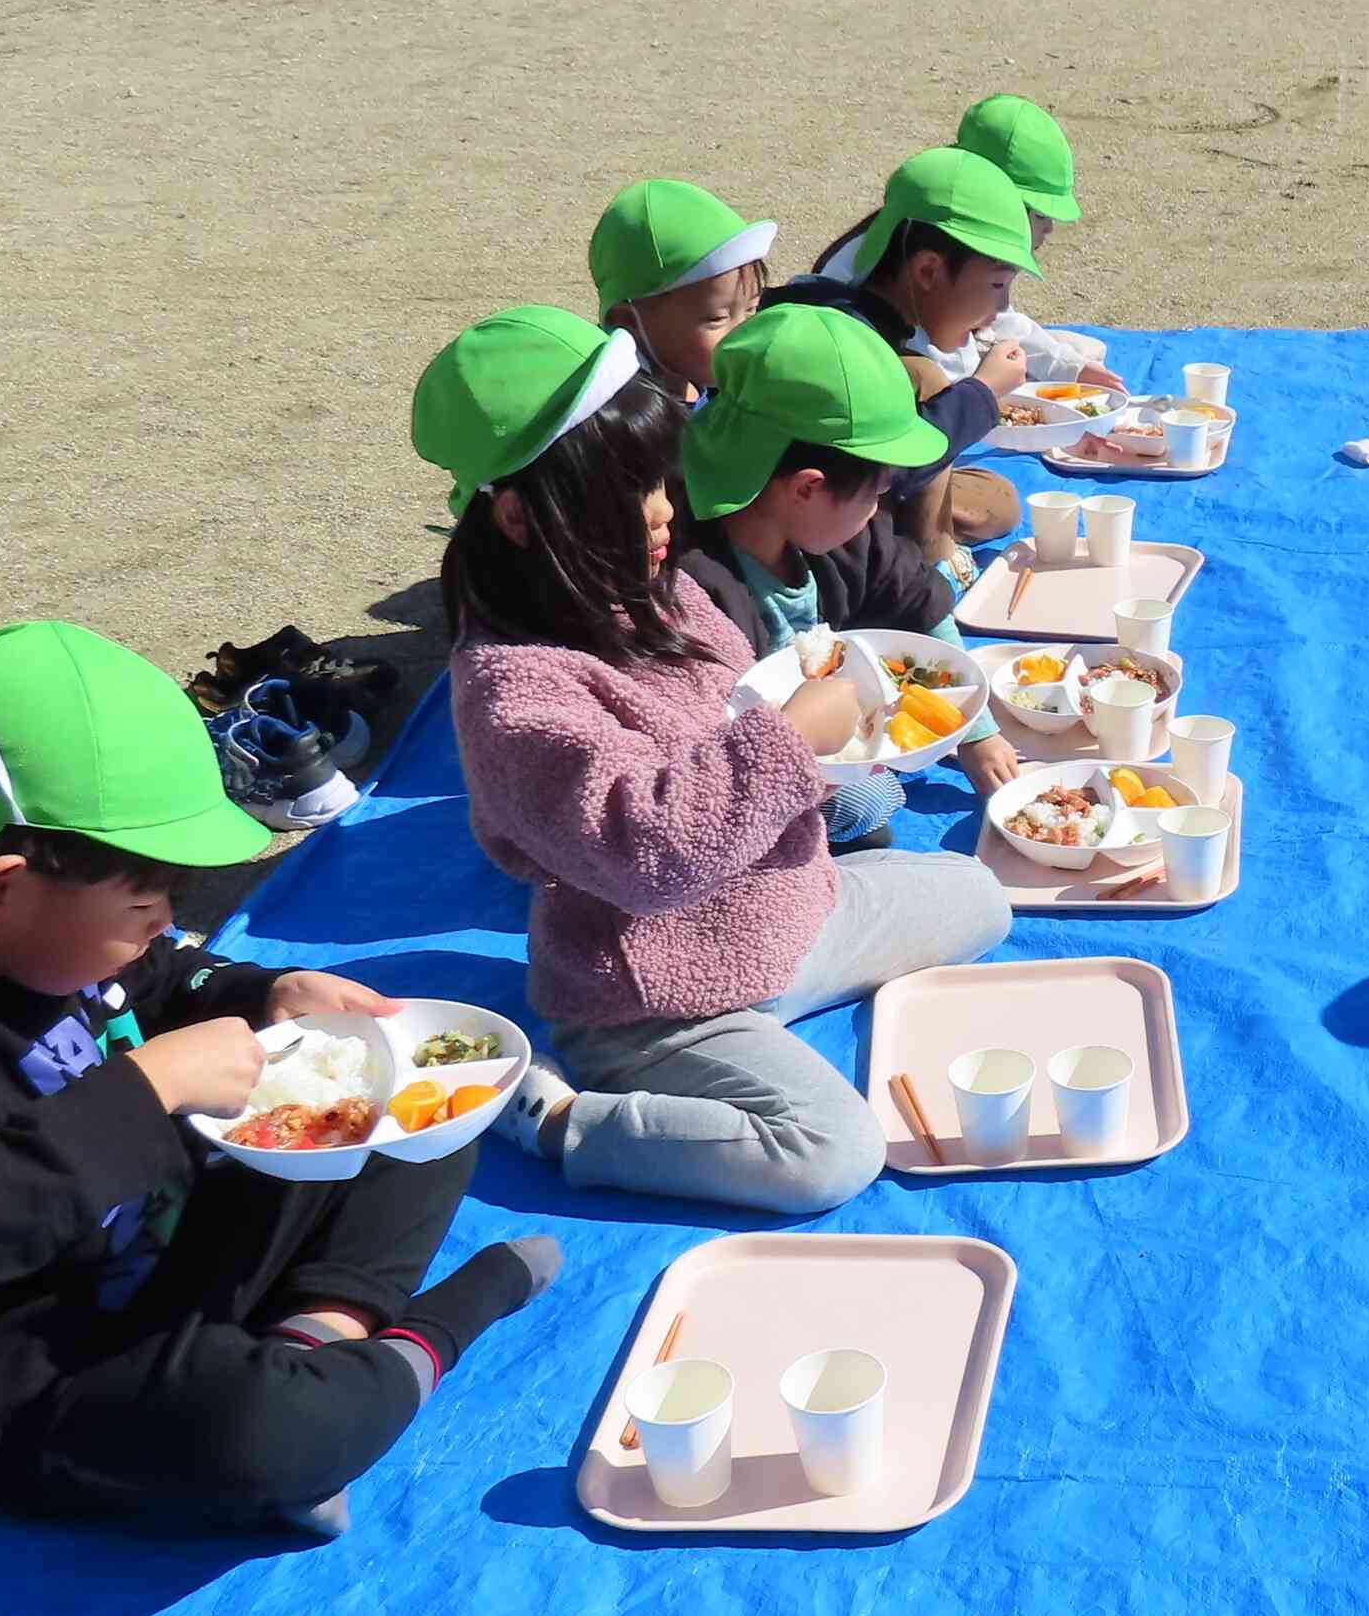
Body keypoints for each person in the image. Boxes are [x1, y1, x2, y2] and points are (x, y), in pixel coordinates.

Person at [0, 621, 557, 1535]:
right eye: (146, 899)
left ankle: (321, 1339)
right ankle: (428, 1335)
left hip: (168, 1248)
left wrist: (262, 993)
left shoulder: (47, 946)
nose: (165, 920)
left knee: (411, 1116)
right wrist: (145, 1089)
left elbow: (166, 976)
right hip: (42, 1381)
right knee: (258, 1430)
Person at [426, 305, 1012, 1217]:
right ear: (518, 517)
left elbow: (737, 713)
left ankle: (775, 1009)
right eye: (633, 495)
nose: (667, 512)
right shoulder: (515, 691)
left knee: (983, 896)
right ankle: (555, 1116)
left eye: (660, 483)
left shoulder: (653, 591)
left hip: (786, 912)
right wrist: (794, 740)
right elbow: (648, 853)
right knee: (829, 1154)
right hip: (656, 989)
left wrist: (830, 746)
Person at [674, 301, 1024, 849]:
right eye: (878, 488)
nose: (882, 504)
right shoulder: (693, 585)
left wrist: (975, 733)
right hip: (737, 769)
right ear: (808, 487)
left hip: (816, 722)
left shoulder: (843, 534)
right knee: (868, 805)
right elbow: (698, 753)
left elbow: (918, 601)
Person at [776, 145, 1046, 584]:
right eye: (998, 285)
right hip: (823, 523)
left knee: (999, 501)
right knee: (928, 385)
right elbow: (875, 472)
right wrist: (980, 393)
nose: (1001, 309)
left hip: (857, 497)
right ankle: (932, 567)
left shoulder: (866, 314)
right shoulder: (846, 346)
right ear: (927, 271)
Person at [815, 95, 1121, 394]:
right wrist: (984, 390)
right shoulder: (874, 311)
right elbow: (941, 387)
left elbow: (997, 317)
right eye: (1039, 214)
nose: (1049, 228)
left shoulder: (936, 242)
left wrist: (1066, 365)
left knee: (1084, 350)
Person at [590, 177, 779, 402]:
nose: (745, 336)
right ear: (628, 321)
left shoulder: (716, 381)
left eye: (751, 308)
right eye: (717, 318)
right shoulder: (627, 416)